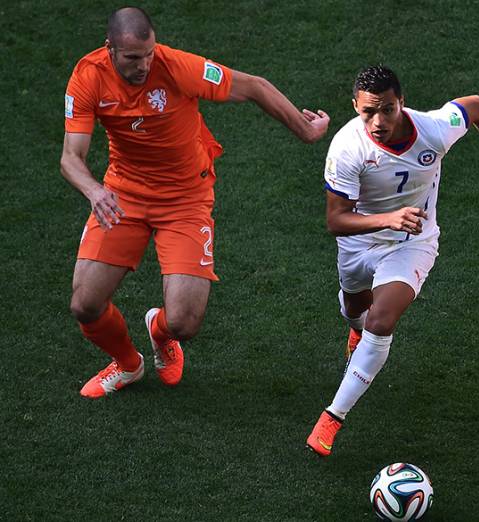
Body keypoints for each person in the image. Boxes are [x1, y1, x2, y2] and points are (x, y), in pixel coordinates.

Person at [61, 7, 329, 398]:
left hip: (185, 200)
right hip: (123, 197)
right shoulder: (88, 77)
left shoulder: (176, 66)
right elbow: (71, 158)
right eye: (134, 58)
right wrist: (95, 191)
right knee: (85, 305)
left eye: (149, 54)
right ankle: (127, 364)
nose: (145, 65)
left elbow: (253, 85)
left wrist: (307, 131)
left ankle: (159, 331)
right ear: (110, 49)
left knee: (185, 322)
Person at [306, 65, 479, 456]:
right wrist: (388, 217)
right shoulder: (348, 147)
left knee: (382, 320)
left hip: (411, 243)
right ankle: (357, 331)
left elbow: (478, 106)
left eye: (387, 109)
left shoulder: (433, 129)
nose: (378, 121)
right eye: (368, 111)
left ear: (402, 102)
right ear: (355, 107)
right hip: (358, 243)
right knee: (355, 310)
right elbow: (335, 221)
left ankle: (332, 418)